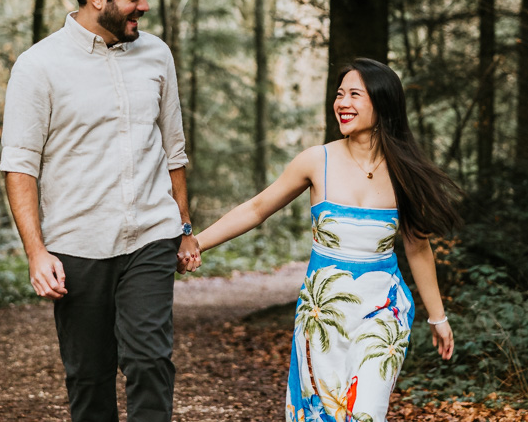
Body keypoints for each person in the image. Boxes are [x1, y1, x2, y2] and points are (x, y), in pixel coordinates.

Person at [193, 58, 461, 422]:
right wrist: (196, 243)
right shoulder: (315, 161)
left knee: (366, 413)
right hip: (323, 314)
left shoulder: (404, 172)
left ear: (382, 104)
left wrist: (437, 317)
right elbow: (256, 209)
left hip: (382, 313)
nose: (342, 103)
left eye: (355, 94)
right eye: (339, 94)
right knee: (323, 414)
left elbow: (417, 247)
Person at [0, 0, 201, 422]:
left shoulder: (157, 55)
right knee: (89, 377)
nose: (144, 6)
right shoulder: (38, 66)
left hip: (151, 235)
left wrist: (185, 227)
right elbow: (19, 165)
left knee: (149, 361)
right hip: (78, 244)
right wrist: (36, 251)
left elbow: (174, 148)